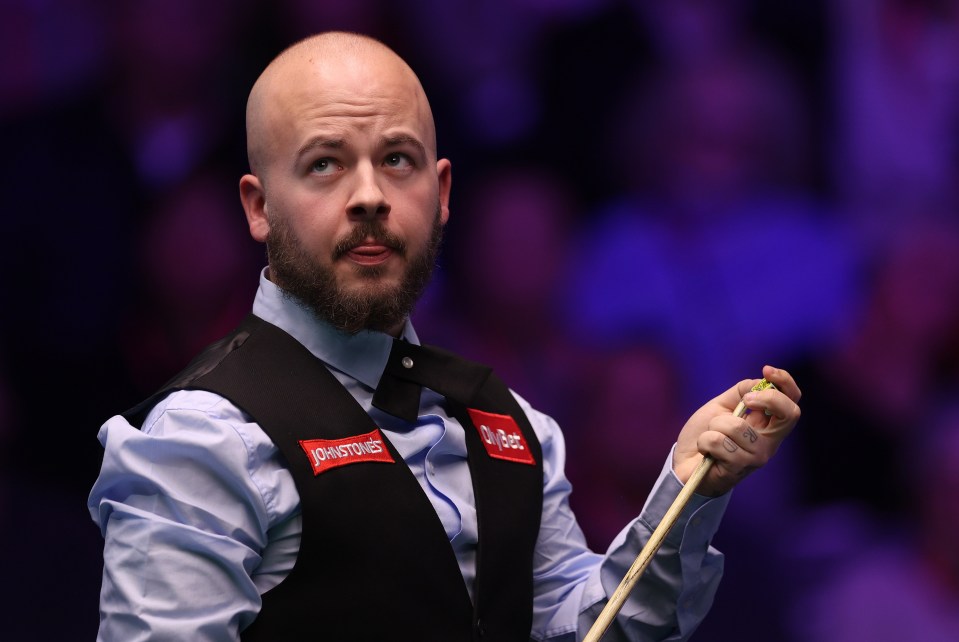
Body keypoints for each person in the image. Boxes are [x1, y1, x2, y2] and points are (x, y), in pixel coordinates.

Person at [88, 31, 801, 641]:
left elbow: (592, 629)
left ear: (442, 193)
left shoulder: (508, 423)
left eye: (396, 160)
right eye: (324, 164)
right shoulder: (199, 440)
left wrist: (686, 491)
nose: (369, 195)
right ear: (258, 207)